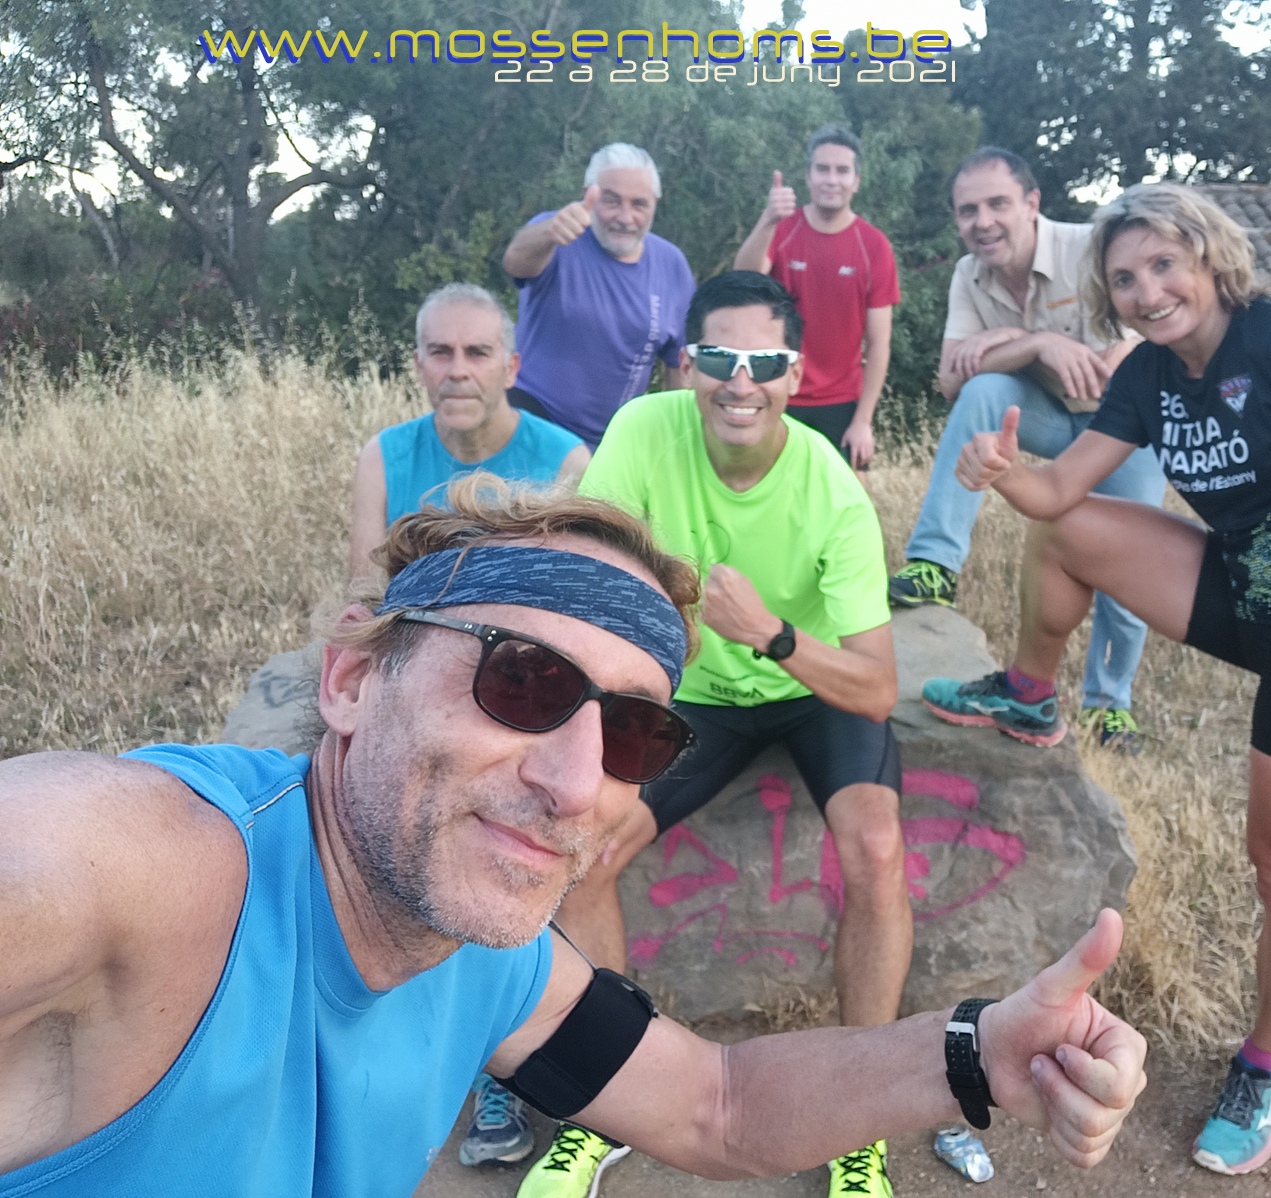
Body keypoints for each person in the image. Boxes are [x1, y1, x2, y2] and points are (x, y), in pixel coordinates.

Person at [0, 477, 1150, 1198]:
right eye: (522, 681)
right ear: (350, 679)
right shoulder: (151, 873)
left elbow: (716, 1103)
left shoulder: (483, 955)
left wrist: (979, 1050)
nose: (574, 784)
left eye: (633, 734)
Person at [943, 182, 1271, 1176]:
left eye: (1163, 266)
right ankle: (1029, 694)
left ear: (1210, 260)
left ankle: (1262, 1069)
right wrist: (1001, 471)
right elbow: (1057, 493)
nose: (1147, 292)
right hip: (1235, 583)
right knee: (1069, 533)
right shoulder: (1147, 375)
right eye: (1124, 278)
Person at [505, 269, 904, 1198]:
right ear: (687, 365)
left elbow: (877, 687)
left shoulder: (832, 490)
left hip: (810, 685)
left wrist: (770, 634)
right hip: (695, 694)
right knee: (589, 851)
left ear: (795, 374)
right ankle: (603, 1100)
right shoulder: (644, 432)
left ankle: (864, 1125)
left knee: (878, 846)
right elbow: (595, 569)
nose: (740, 380)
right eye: (719, 356)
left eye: (764, 361)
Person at [888, 147, 1168, 752]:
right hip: (1044, 418)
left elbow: (1122, 359)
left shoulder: (1090, 247)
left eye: (998, 204)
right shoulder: (969, 275)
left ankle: (1109, 707)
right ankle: (935, 564)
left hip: (1123, 427)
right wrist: (1036, 342)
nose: (983, 221)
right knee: (984, 391)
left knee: (1127, 561)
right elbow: (950, 380)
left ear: (1032, 204)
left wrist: (1007, 343)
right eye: (968, 210)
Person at [347, 284, 588, 584]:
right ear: (419, 366)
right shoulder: (382, 459)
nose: (458, 371)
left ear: (511, 369)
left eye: (477, 353)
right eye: (440, 352)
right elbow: (364, 593)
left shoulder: (567, 464)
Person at [501, 143, 697, 448]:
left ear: (655, 204)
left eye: (639, 204)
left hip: (615, 441)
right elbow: (515, 261)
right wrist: (549, 232)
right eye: (611, 201)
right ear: (587, 194)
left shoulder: (671, 265)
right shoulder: (558, 234)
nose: (625, 217)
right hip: (533, 421)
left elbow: (679, 364)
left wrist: (679, 439)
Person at [732, 125, 899, 470]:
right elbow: (743, 281)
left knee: (853, 495)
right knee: (767, 489)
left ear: (856, 181)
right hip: (778, 389)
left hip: (842, 400)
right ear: (808, 176)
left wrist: (863, 421)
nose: (831, 180)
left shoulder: (874, 246)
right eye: (823, 169)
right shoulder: (782, 228)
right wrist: (767, 219)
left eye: (842, 171)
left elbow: (879, 343)